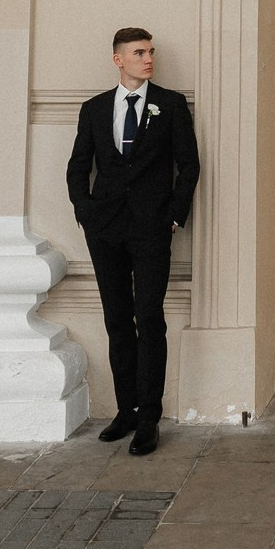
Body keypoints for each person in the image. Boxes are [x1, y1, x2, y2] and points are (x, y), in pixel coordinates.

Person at [65, 27, 200, 456]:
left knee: (149, 319)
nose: (148, 59)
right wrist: (86, 213)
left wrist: (174, 216)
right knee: (117, 320)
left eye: (151, 52)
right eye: (139, 52)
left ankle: (148, 419)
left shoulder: (171, 105)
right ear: (118, 59)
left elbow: (190, 165)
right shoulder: (95, 109)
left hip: (152, 230)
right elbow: (77, 167)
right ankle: (125, 411)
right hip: (105, 231)